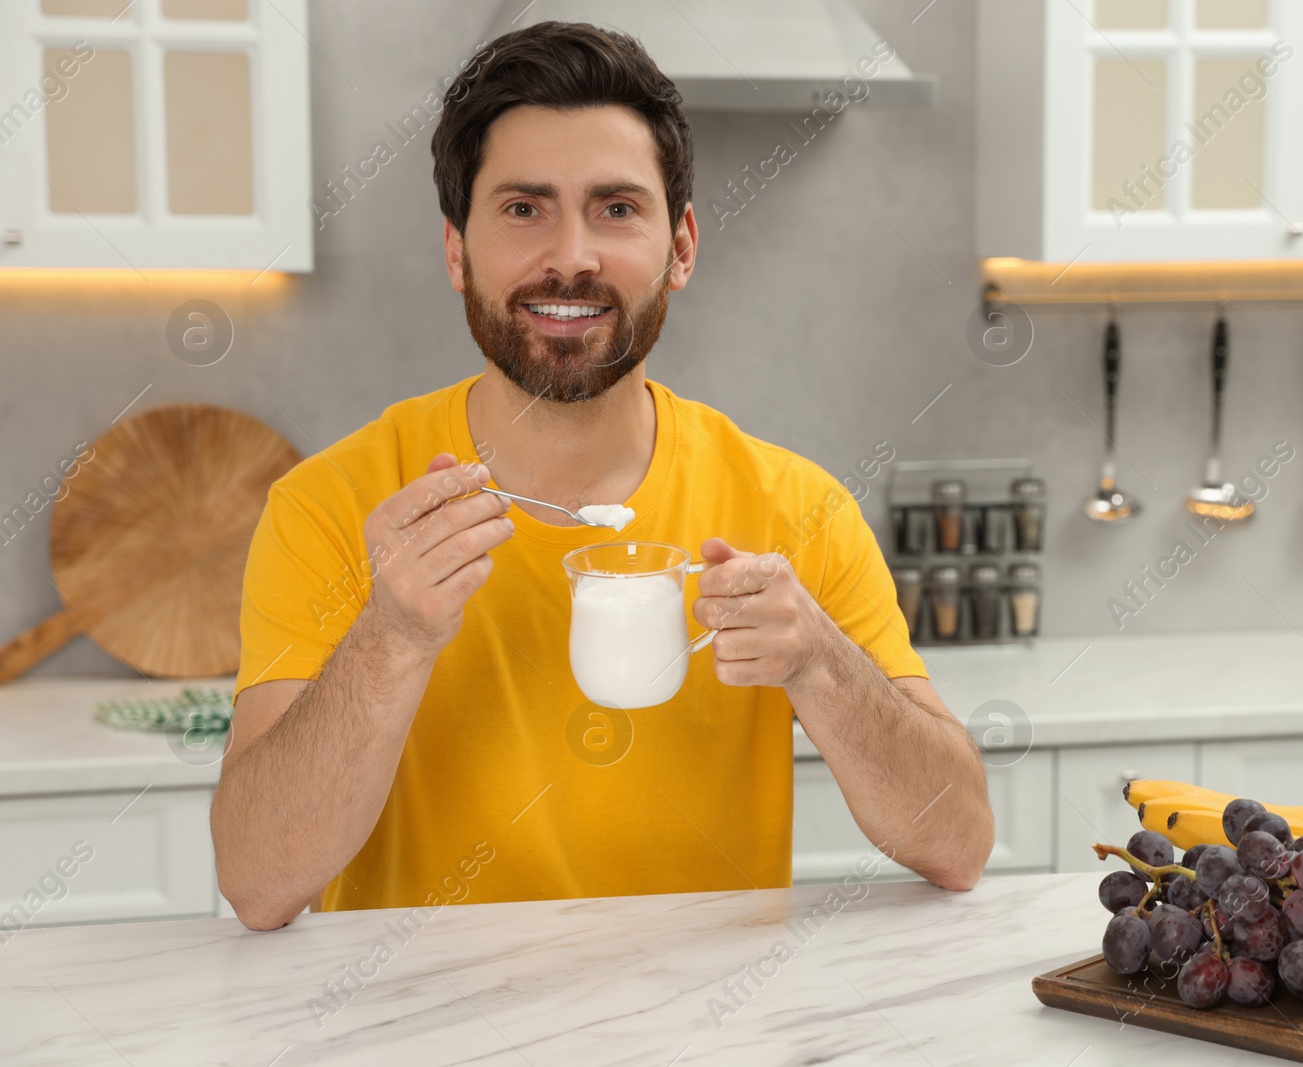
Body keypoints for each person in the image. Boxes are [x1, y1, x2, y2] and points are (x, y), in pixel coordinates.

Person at [211, 21, 992, 931]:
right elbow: (258, 882)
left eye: (616, 208)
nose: (572, 255)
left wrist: (819, 662)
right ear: (457, 250)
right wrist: (392, 633)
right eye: (523, 208)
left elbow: (959, 843)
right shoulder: (331, 506)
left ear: (683, 246)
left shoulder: (798, 510)